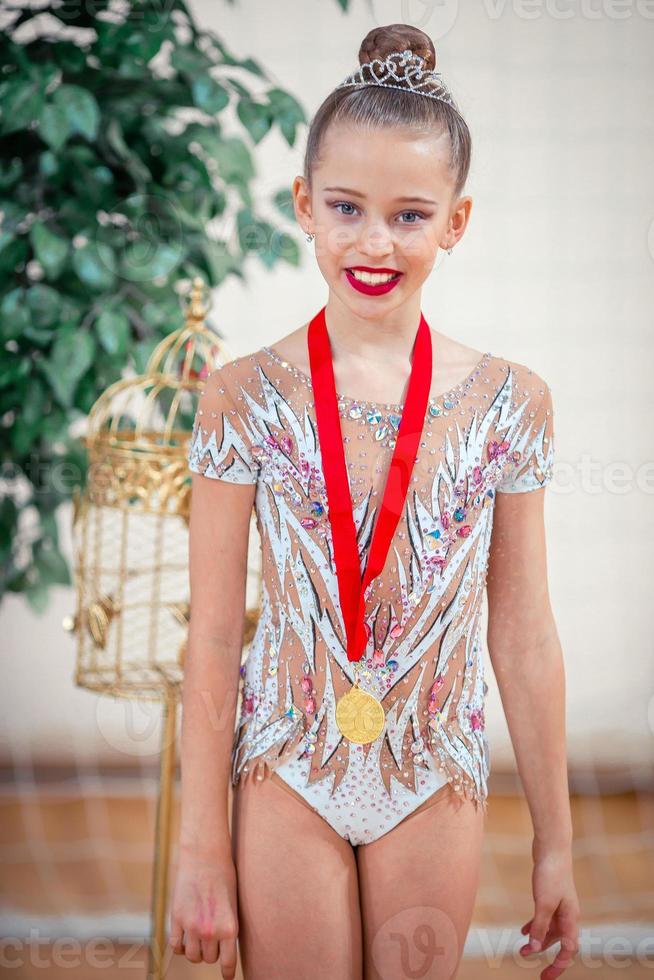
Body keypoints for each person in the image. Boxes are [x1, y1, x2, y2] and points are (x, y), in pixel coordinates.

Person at [169, 22, 580, 980]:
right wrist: (198, 845)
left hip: (432, 773)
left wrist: (555, 840)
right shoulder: (242, 394)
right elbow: (215, 636)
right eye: (347, 207)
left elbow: (521, 632)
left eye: (408, 214)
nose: (373, 241)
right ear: (304, 205)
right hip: (287, 771)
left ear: (455, 222)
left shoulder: (511, 403)